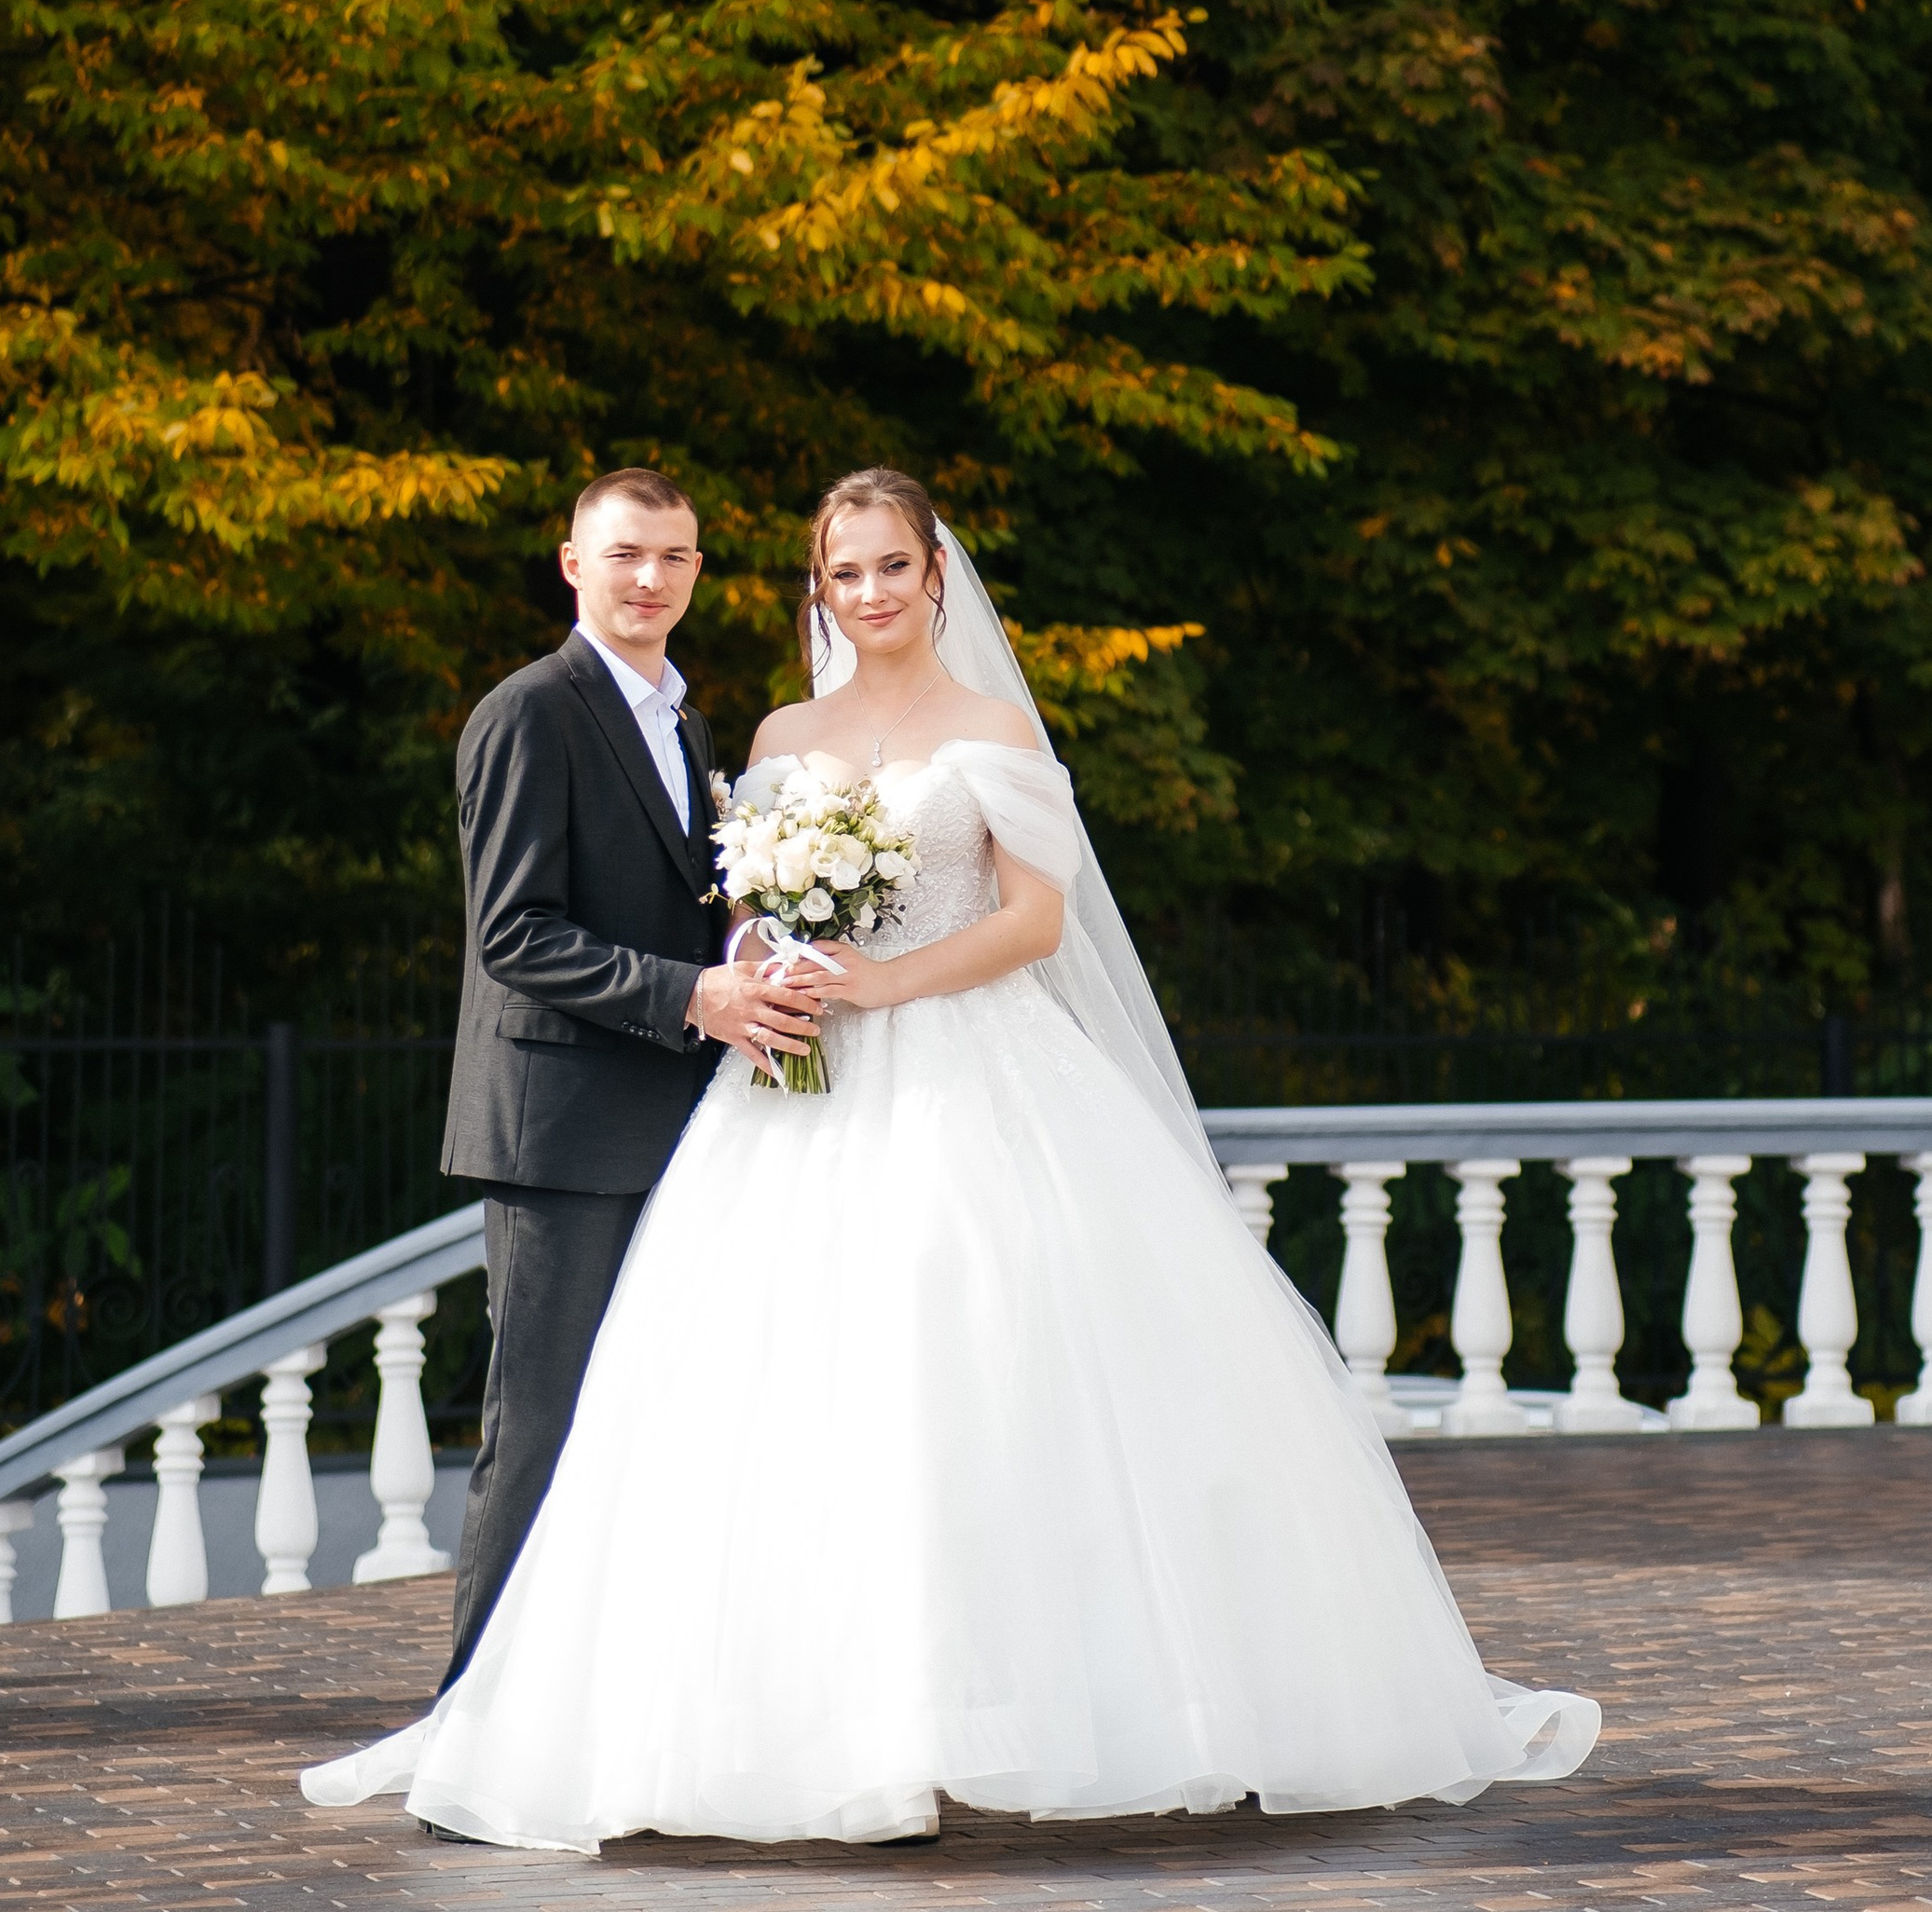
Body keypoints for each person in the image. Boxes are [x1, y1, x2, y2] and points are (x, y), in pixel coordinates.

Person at [306, 468, 1600, 1850]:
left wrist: (886, 980)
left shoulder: (989, 728)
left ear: (935, 575)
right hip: (788, 1097)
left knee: (971, 1378)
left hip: (961, 1072)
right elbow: (706, 911)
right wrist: (764, 965)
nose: (867, 592)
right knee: (748, 1406)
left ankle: (990, 1712)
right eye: (841, 572)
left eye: (889, 567)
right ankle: (602, 1710)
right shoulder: (771, 727)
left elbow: (1039, 921)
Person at [303, 468, 819, 1810]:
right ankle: (468, 1721)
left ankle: (605, 1713)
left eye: (676, 556)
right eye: (626, 554)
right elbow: (513, 933)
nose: (651, 578)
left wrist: (753, 947)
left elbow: (681, 900)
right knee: (536, 1428)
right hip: (557, 1130)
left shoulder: (687, 715)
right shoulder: (530, 710)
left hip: (676, 1128)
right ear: (570, 564)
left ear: (700, 568)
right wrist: (692, 994)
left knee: (653, 1425)